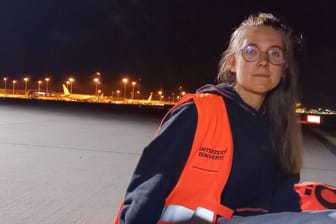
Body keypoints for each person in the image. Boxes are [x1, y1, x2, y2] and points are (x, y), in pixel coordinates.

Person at [114, 12, 304, 224]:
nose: (263, 61)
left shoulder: (280, 128)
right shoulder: (197, 113)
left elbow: (286, 203)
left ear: (284, 68)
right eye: (251, 51)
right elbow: (147, 190)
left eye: (275, 54)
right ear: (232, 62)